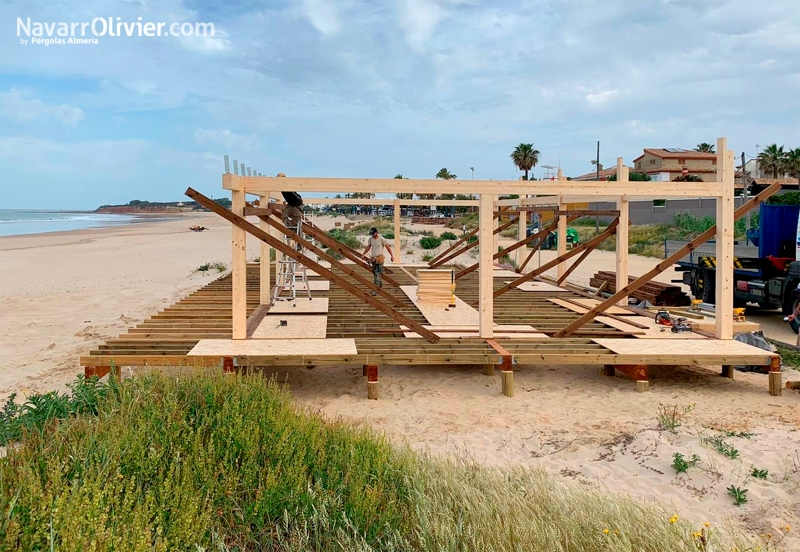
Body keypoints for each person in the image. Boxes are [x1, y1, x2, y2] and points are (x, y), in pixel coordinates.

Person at [362, 227, 394, 295]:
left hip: (379, 259)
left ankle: (375, 289)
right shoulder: (371, 239)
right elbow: (368, 247)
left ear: (376, 233)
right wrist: (363, 254)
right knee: (375, 273)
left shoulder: (382, 239)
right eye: (371, 234)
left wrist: (392, 256)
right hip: (373, 259)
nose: (372, 235)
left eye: (373, 234)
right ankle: (379, 285)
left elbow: (388, 248)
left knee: (377, 274)